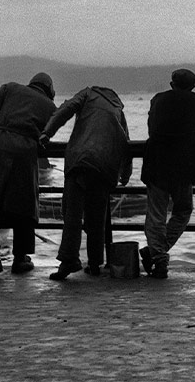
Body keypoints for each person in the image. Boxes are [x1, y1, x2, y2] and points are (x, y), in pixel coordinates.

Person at [0, 73, 57, 277]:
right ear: (50, 90)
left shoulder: (11, 88)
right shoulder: (50, 107)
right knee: (24, 204)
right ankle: (20, 258)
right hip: (26, 151)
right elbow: (48, 135)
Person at [40, 86, 133, 280]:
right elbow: (126, 143)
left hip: (80, 160)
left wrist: (47, 133)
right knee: (97, 217)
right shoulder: (118, 110)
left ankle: (69, 261)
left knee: (72, 214)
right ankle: (94, 263)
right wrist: (125, 174)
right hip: (105, 168)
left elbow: (64, 110)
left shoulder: (88, 94)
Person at [140, 69, 195, 278]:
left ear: (172, 84)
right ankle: (156, 253)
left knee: (156, 214)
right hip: (183, 165)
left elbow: (152, 128)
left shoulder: (158, 99)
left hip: (156, 162)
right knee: (183, 210)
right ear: (193, 86)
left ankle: (157, 254)